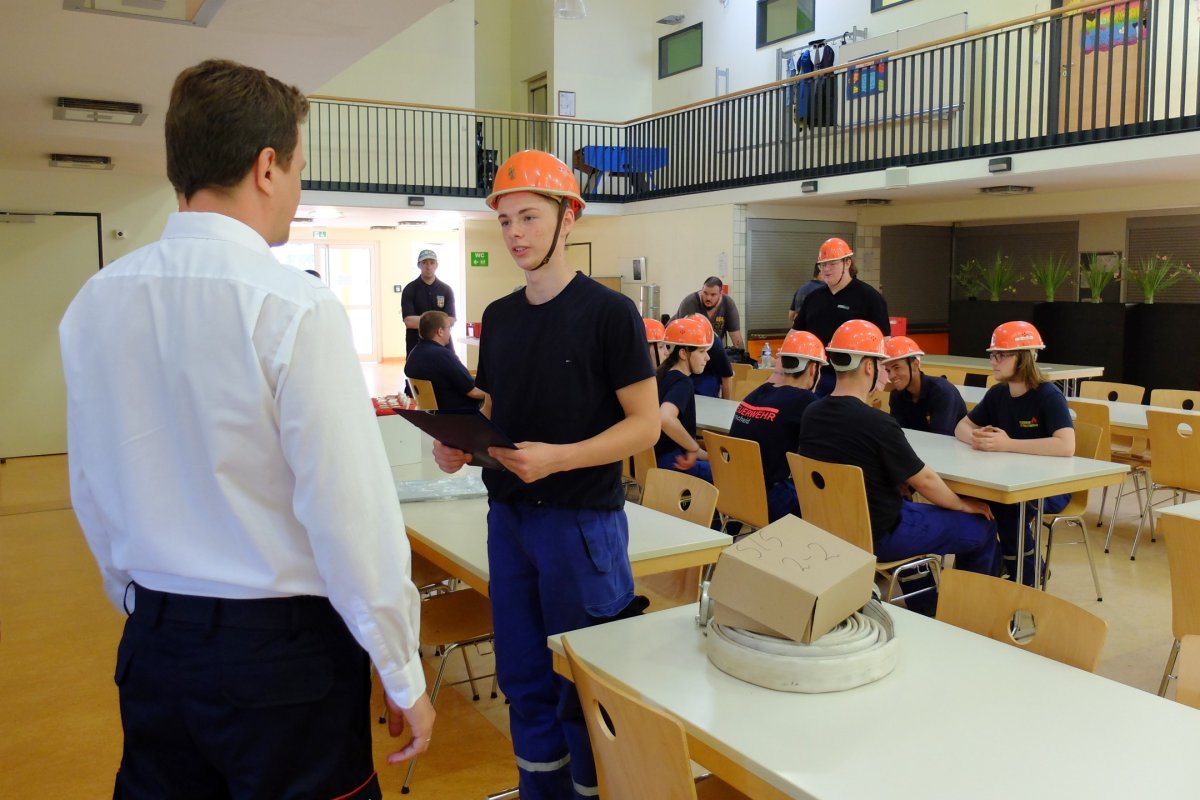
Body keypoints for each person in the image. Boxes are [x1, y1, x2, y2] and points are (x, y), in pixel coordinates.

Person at [58, 59, 433, 799]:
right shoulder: (292, 307)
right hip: (280, 662)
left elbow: (91, 486)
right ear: (267, 167)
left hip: (155, 643)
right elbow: (349, 518)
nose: (297, 188)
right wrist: (400, 667)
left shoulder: (96, 302)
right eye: (298, 168)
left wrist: (145, 602)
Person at [431, 149, 659, 800]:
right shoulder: (501, 317)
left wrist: (558, 457)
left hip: (580, 525)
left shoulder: (610, 314)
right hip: (509, 520)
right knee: (524, 678)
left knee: (583, 684)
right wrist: (463, 445)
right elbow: (500, 410)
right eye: (505, 221)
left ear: (568, 217)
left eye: (529, 216)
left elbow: (644, 425)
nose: (515, 233)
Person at [799, 320, 1000, 614]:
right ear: (869, 366)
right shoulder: (877, 423)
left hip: (830, 527)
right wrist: (962, 505)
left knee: (912, 513)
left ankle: (929, 609)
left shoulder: (811, 413)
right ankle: (971, 615)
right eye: (882, 365)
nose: (886, 374)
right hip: (881, 534)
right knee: (982, 526)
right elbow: (925, 481)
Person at [954, 321, 1075, 586]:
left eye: (1001, 355)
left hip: (1050, 486)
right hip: (1008, 479)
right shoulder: (998, 393)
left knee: (1008, 507)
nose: (993, 362)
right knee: (969, 499)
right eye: (992, 355)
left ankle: (1028, 576)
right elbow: (962, 425)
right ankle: (990, 567)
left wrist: (1008, 444)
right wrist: (978, 438)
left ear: (1023, 357)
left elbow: (1066, 445)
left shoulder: (1048, 395)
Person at [729, 330, 825, 521]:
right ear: (813, 369)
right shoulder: (806, 400)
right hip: (770, 499)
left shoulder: (759, 392)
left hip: (734, 491)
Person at [792, 237, 890, 396]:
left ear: (847, 263)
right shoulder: (813, 298)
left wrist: (880, 379)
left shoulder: (869, 297)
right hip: (814, 376)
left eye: (832, 264)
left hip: (852, 377)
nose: (826, 269)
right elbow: (795, 334)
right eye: (822, 265)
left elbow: (884, 341)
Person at [655, 316, 714, 481]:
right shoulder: (682, 382)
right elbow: (665, 418)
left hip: (653, 460)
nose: (707, 357)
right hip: (670, 462)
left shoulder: (661, 375)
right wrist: (693, 448)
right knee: (730, 474)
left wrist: (701, 453)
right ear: (683, 353)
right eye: (701, 351)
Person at [881, 335, 968, 436]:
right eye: (888, 370)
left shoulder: (943, 393)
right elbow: (899, 433)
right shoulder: (896, 396)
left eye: (897, 368)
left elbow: (939, 438)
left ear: (915, 365)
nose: (891, 376)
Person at [405, 310, 489, 412]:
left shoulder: (414, 353)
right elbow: (473, 392)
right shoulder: (442, 355)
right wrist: (493, 394)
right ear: (440, 331)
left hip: (432, 413)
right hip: (458, 413)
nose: (450, 332)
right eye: (449, 328)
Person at [401, 248, 456, 355]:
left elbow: (451, 320)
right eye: (424, 262)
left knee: (449, 365)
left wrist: (422, 322)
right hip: (416, 344)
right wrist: (440, 323)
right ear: (419, 265)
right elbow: (409, 321)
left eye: (432, 262)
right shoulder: (410, 289)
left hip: (443, 345)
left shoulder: (446, 290)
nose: (428, 266)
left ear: (436, 265)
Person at [674, 276, 744, 348]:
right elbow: (683, 336)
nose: (708, 298)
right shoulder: (689, 303)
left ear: (720, 293)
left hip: (714, 345)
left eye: (713, 295)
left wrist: (741, 353)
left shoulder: (728, 303)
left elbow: (736, 337)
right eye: (705, 293)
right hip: (688, 344)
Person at [686, 312, 734, 399]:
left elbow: (727, 376)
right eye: (701, 351)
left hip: (708, 376)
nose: (707, 357)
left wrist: (725, 404)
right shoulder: (679, 338)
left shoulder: (715, 344)